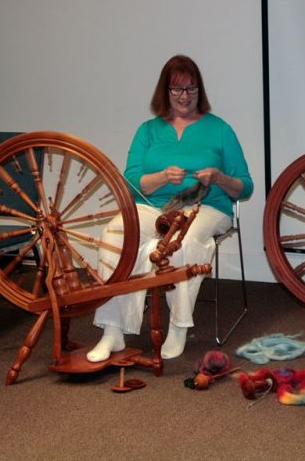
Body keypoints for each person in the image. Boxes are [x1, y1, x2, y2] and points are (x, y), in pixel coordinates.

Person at [87, 55, 253, 362]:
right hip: (153, 206)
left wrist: (219, 178)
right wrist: (162, 176)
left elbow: (246, 186)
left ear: (200, 90)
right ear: (165, 91)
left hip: (206, 207)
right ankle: (112, 330)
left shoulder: (220, 130)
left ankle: (178, 326)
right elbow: (131, 182)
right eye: (177, 89)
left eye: (191, 88)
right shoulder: (148, 130)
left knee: (182, 242)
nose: (184, 96)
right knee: (115, 234)